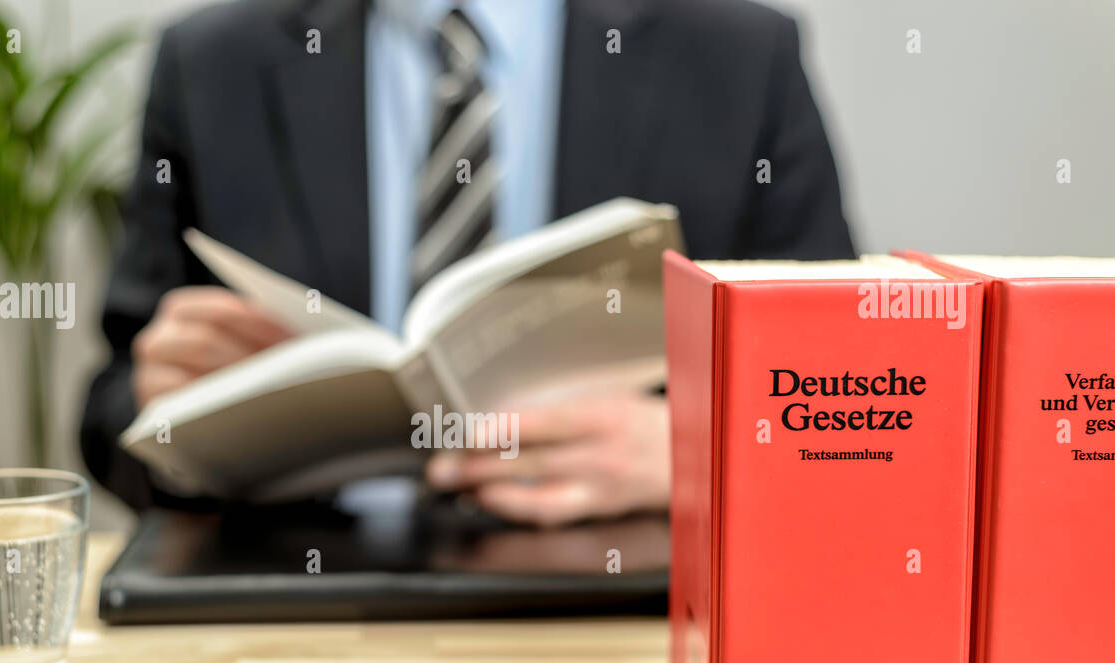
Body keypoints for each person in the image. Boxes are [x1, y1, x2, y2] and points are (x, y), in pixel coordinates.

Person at [81, 0, 853, 525]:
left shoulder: (741, 57)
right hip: (299, 616)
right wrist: (169, 415)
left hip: (620, 620)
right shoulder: (213, 64)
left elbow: (849, 414)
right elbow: (109, 409)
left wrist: (705, 459)